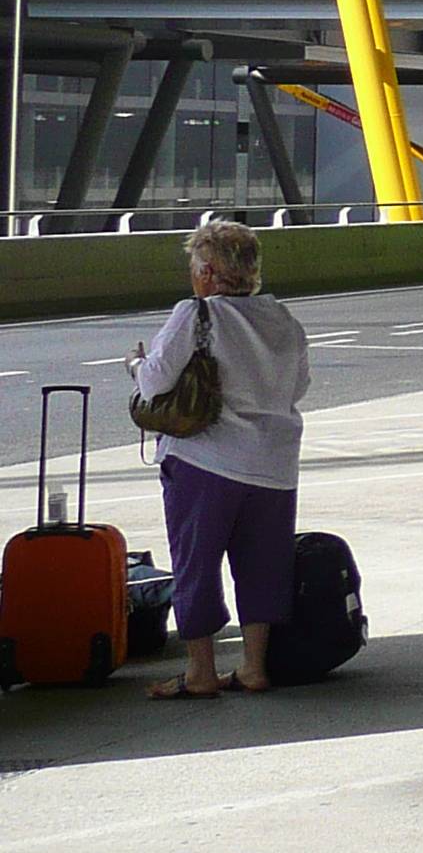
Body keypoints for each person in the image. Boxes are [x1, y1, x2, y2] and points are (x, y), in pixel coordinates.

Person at [134, 219, 310, 699]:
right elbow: (297, 388)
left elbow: (155, 382)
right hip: (274, 464)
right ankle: (254, 667)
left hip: (205, 462)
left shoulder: (197, 314)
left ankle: (200, 672)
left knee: (197, 563)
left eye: (195, 267)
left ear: (209, 272)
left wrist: (136, 364)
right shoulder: (284, 319)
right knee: (264, 565)